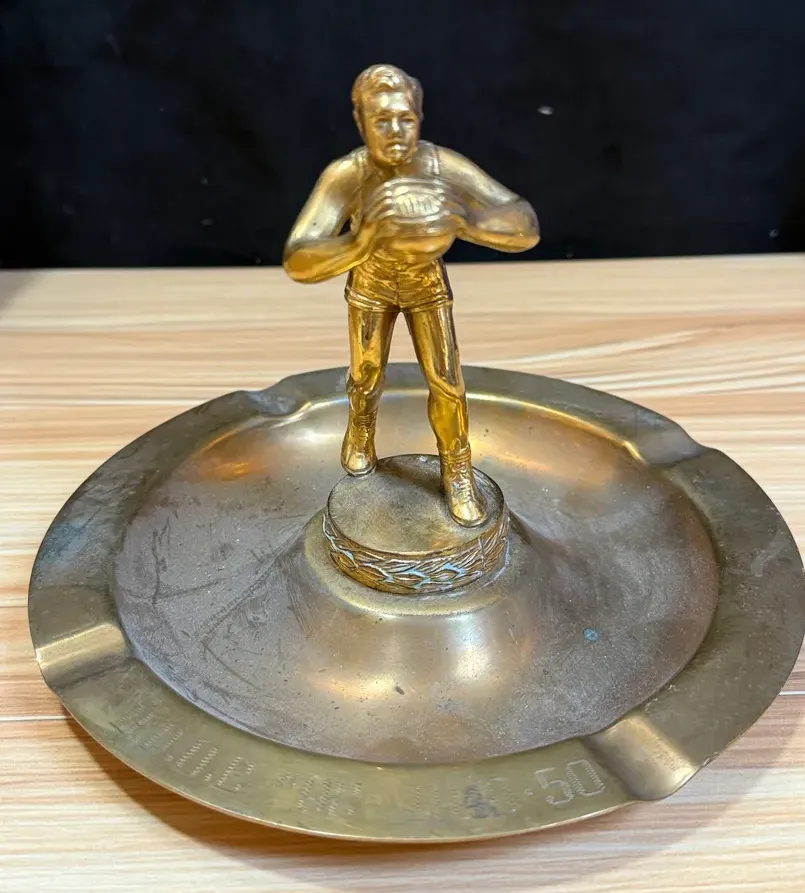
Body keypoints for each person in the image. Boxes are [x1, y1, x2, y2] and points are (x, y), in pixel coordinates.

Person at [284, 63, 539, 526]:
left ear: (420, 117)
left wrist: (466, 220)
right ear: (361, 122)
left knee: (447, 382)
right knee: (365, 374)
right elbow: (298, 259)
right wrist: (361, 242)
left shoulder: (441, 166)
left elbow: (524, 225)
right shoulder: (347, 174)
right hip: (372, 284)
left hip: (425, 284)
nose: (396, 131)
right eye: (381, 120)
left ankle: (457, 468)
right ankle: (361, 428)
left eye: (405, 118)